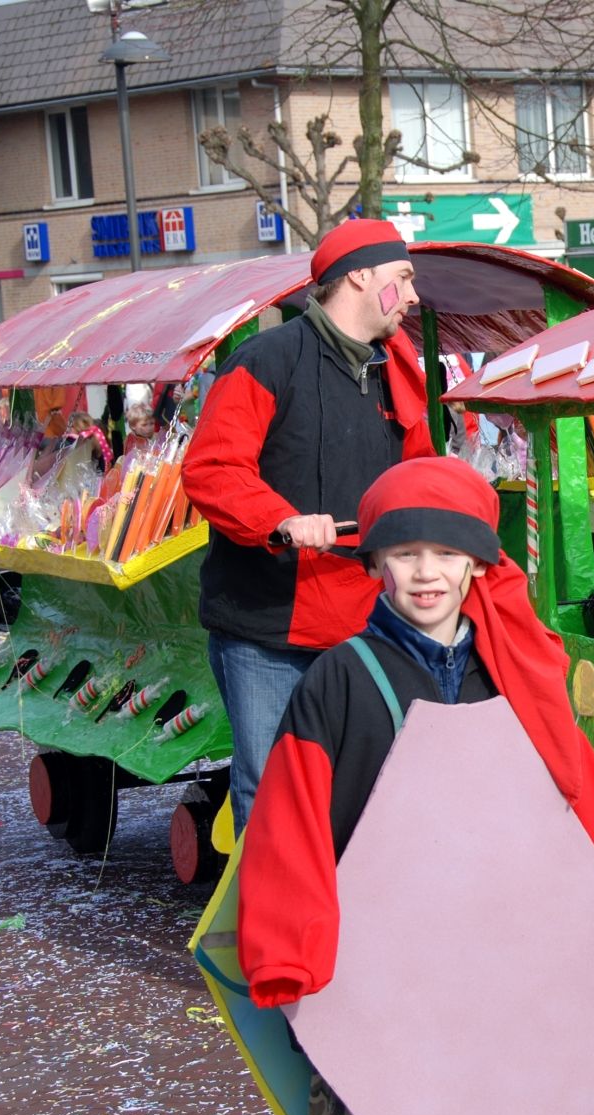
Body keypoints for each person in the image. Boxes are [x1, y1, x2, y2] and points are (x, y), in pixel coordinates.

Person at [237, 457, 594, 1115]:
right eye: (405, 552)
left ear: (478, 565)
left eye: (447, 553)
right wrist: (292, 959)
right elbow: (291, 828)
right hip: (378, 988)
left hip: (488, 988)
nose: (426, 572)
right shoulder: (339, 681)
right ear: (374, 563)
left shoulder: (512, 682)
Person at [183, 218, 433, 831]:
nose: (412, 294)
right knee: (272, 791)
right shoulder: (266, 358)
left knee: (372, 785)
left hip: (367, 623)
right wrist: (282, 519)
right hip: (268, 628)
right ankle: (273, 897)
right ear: (359, 276)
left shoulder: (398, 369)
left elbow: (419, 476)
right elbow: (213, 469)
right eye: (402, 277)